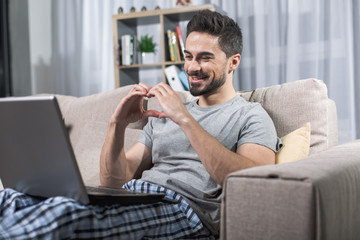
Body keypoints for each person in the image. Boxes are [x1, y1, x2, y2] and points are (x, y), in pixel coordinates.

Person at [0, 10, 280, 239]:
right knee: (11, 199)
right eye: (188, 56)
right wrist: (117, 124)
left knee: (66, 216)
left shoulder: (251, 116)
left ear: (233, 62)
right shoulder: (162, 115)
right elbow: (113, 181)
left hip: (182, 211)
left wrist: (184, 118)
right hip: (134, 198)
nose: (193, 67)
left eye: (205, 58)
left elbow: (252, 183)